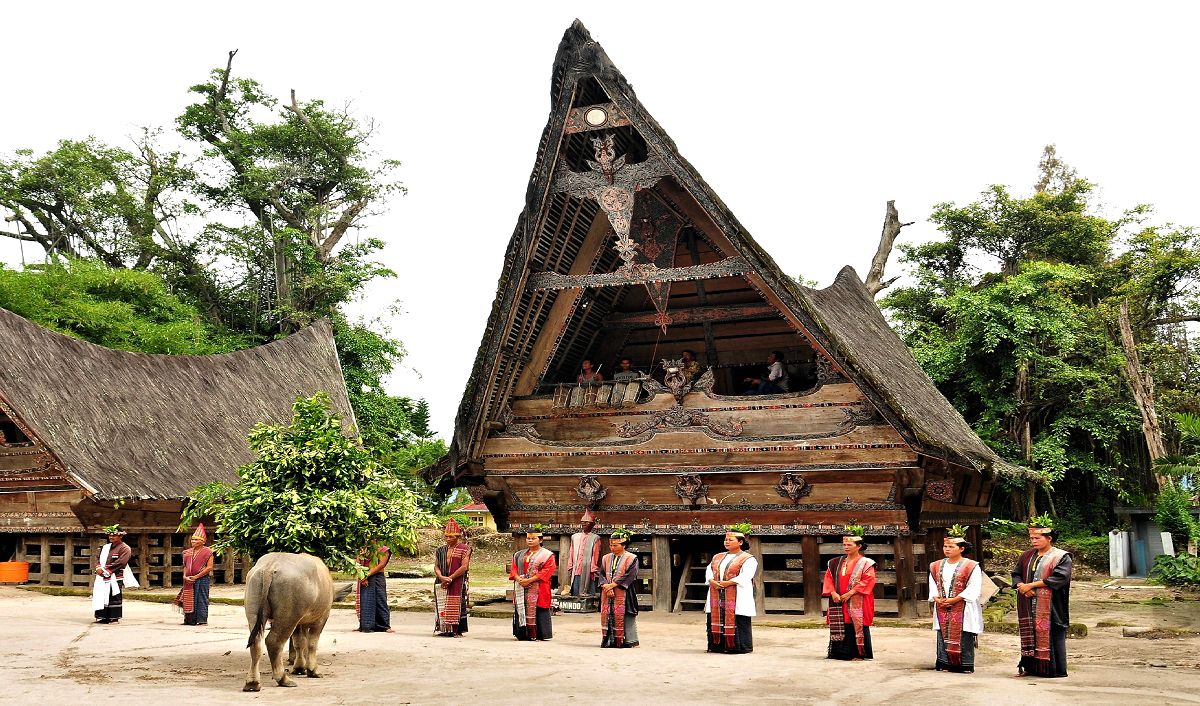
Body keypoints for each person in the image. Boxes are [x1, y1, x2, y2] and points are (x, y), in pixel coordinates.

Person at [1012, 517, 1073, 678]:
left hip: (1051, 604)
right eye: (1031, 538)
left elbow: (1060, 578)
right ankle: (1031, 668)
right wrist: (1022, 587)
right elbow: (1016, 574)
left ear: (1049, 538)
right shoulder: (1026, 556)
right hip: (1027, 602)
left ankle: (1053, 670)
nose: (1033, 541)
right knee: (1029, 634)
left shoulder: (1061, 556)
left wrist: (1031, 586)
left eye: (1037, 538)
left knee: (1052, 635)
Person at [929, 526, 983, 673]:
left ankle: (964, 664)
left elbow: (974, 586)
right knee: (942, 632)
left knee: (963, 632)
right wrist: (936, 598)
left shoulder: (971, 566)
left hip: (963, 605)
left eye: (951, 546)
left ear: (961, 548)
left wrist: (956, 599)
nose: (947, 549)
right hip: (941, 604)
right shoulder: (935, 565)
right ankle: (944, 663)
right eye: (945, 546)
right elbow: (933, 583)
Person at [824, 525, 877, 660]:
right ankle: (839, 652)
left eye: (849, 544)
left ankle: (858, 653)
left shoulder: (866, 563)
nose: (846, 547)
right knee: (842, 623)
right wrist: (833, 593)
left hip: (857, 599)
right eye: (844, 544)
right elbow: (828, 578)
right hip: (839, 598)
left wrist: (850, 593)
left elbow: (868, 580)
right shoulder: (835, 562)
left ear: (858, 546)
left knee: (856, 624)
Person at [705, 524, 757, 653]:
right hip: (716, 591)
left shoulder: (748, 559)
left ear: (740, 542)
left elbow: (746, 576)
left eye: (730, 540)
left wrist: (728, 583)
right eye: (725, 540)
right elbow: (709, 570)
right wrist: (712, 580)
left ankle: (738, 647)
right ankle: (717, 646)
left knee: (738, 619)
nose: (726, 542)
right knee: (716, 617)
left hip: (737, 593)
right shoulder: (717, 557)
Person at [509, 526, 557, 641]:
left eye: (533, 538)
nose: (530, 540)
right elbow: (513, 568)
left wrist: (529, 580)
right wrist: (518, 579)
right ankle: (522, 633)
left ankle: (539, 634)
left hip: (539, 587)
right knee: (521, 607)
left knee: (539, 609)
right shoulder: (519, 555)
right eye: (528, 538)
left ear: (540, 540)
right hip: (521, 586)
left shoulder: (547, 555)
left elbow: (547, 571)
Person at [599, 527, 640, 648]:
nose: (612, 548)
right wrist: (606, 587)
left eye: (615, 545)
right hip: (607, 591)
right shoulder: (605, 558)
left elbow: (631, 575)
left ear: (624, 545)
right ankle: (609, 640)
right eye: (611, 545)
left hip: (624, 590)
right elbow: (601, 574)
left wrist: (612, 585)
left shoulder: (632, 558)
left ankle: (630, 641)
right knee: (608, 615)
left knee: (627, 614)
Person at [92, 524, 138, 624]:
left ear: (120, 536)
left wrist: (106, 571)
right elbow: (97, 558)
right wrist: (99, 568)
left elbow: (121, 562)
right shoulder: (105, 547)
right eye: (110, 535)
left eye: (114, 535)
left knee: (114, 596)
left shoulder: (125, 548)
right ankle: (102, 616)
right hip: (102, 576)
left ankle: (114, 617)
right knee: (102, 594)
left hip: (115, 576)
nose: (111, 537)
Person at [434, 518, 471, 637]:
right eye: (446, 536)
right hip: (442, 579)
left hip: (457, 580)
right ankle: (444, 628)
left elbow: (464, 567)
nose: (448, 539)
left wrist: (450, 578)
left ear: (458, 536)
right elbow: (436, 566)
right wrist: (441, 577)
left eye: (451, 537)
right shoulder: (440, 550)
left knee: (456, 604)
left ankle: (456, 629)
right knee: (441, 604)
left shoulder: (464, 549)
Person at [177, 523, 214, 626]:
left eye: (196, 540)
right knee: (188, 598)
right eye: (192, 539)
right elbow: (185, 566)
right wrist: (185, 576)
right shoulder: (186, 552)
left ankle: (201, 620)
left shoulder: (208, 552)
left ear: (203, 542)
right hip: (188, 579)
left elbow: (209, 567)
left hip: (202, 579)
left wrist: (196, 576)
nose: (193, 541)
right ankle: (189, 620)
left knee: (201, 598)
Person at [356, 541, 393, 633]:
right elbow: (357, 562)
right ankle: (366, 625)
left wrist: (367, 574)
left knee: (380, 600)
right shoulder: (362, 549)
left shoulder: (383, 549)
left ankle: (384, 626)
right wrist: (362, 576)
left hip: (376, 577)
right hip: (363, 576)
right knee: (365, 601)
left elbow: (381, 565)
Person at [563, 509, 601, 597]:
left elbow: (595, 554)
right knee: (576, 587)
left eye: (587, 522)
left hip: (587, 567)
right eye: (582, 522)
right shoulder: (575, 537)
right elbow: (571, 551)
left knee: (587, 586)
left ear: (592, 525)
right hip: (577, 566)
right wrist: (570, 564)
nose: (584, 524)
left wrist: (593, 568)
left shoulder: (595, 538)